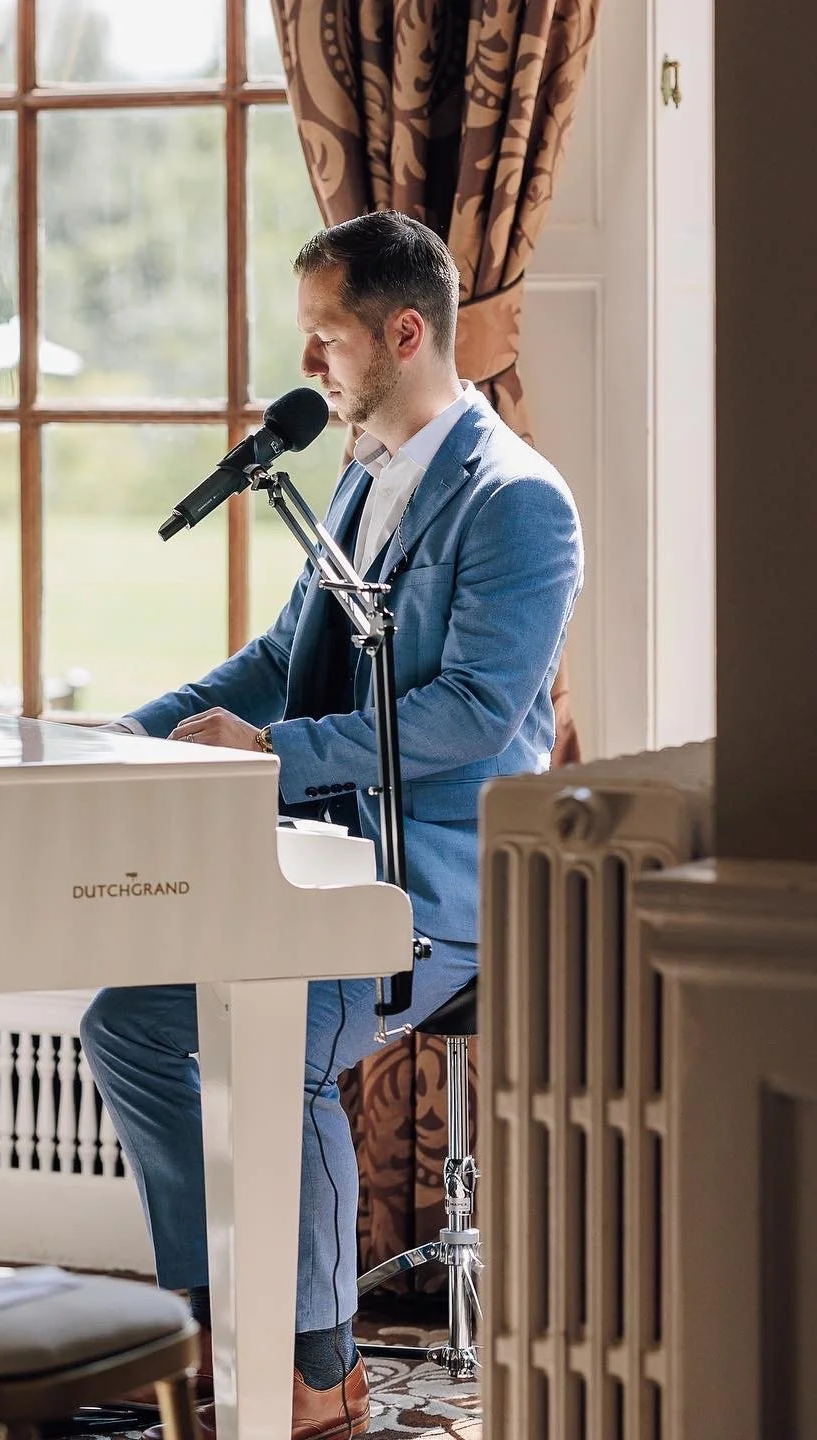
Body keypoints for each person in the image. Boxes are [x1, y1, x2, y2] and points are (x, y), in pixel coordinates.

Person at [81, 211, 584, 1440]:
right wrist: (124, 734)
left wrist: (273, 755)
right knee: (129, 1017)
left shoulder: (516, 502)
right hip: (316, 860)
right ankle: (210, 1327)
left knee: (283, 1022)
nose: (307, 368)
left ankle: (315, 1374)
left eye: (326, 340)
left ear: (405, 334)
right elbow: (275, 660)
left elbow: (468, 713)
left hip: (443, 886)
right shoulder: (361, 475)